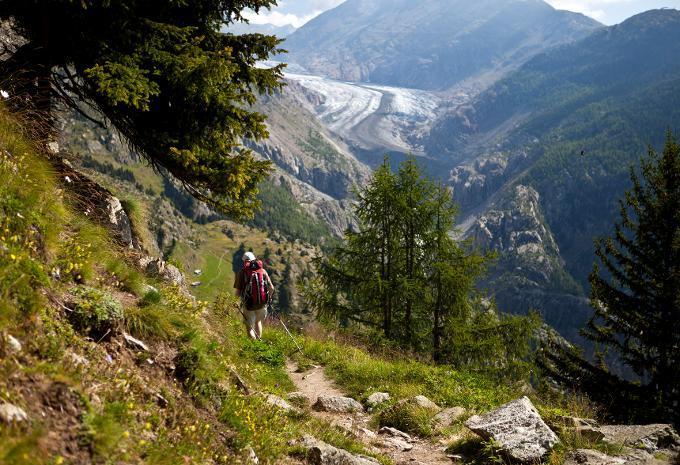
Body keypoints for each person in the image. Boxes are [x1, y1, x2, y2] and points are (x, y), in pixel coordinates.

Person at [234, 251, 275, 340]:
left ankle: (254, 345)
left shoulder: (242, 273)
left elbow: (237, 292)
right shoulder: (263, 271)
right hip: (262, 303)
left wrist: (235, 302)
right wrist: (269, 298)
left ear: (244, 261)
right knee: (258, 322)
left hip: (248, 304)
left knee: (249, 328)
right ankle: (259, 344)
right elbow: (271, 288)